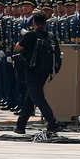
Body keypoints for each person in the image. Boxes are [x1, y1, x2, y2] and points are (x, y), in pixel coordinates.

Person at [14, 10, 62, 138]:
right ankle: (20, 125)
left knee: (38, 98)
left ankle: (52, 122)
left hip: (32, 71)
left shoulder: (31, 35)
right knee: (31, 97)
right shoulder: (51, 36)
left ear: (34, 23)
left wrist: (24, 36)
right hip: (45, 71)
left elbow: (17, 47)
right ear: (45, 24)